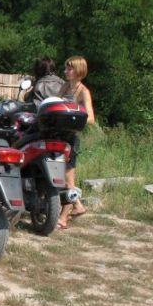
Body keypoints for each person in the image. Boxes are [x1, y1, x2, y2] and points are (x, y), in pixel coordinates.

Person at [57, 55, 95, 229]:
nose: (66, 71)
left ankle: (64, 216)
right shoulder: (65, 87)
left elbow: (91, 118)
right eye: (66, 68)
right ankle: (78, 206)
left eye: (69, 68)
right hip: (58, 135)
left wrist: (72, 119)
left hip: (71, 138)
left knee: (67, 178)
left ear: (79, 70)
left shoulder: (83, 91)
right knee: (60, 176)